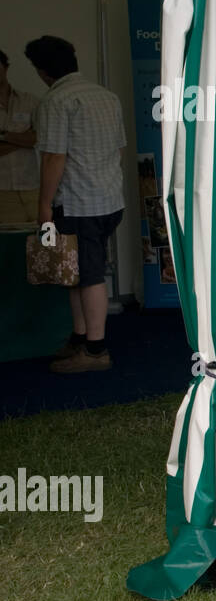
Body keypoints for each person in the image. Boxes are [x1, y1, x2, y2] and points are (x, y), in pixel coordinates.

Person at [27, 36, 126, 373]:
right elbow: (119, 150)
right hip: (109, 199)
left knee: (88, 275)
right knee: (77, 271)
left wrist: (43, 207)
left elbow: (54, 156)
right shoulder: (107, 96)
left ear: (41, 71)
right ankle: (80, 337)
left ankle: (95, 351)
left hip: (79, 204)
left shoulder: (56, 101)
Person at [0, 49, 42, 223]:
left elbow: (40, 138)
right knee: (9, 246)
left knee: (43, 245)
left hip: (33, 188)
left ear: (6, 68)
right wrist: (24, 139)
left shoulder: (30, 101)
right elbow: (32, 140)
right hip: (2, 193)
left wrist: (3, 136)